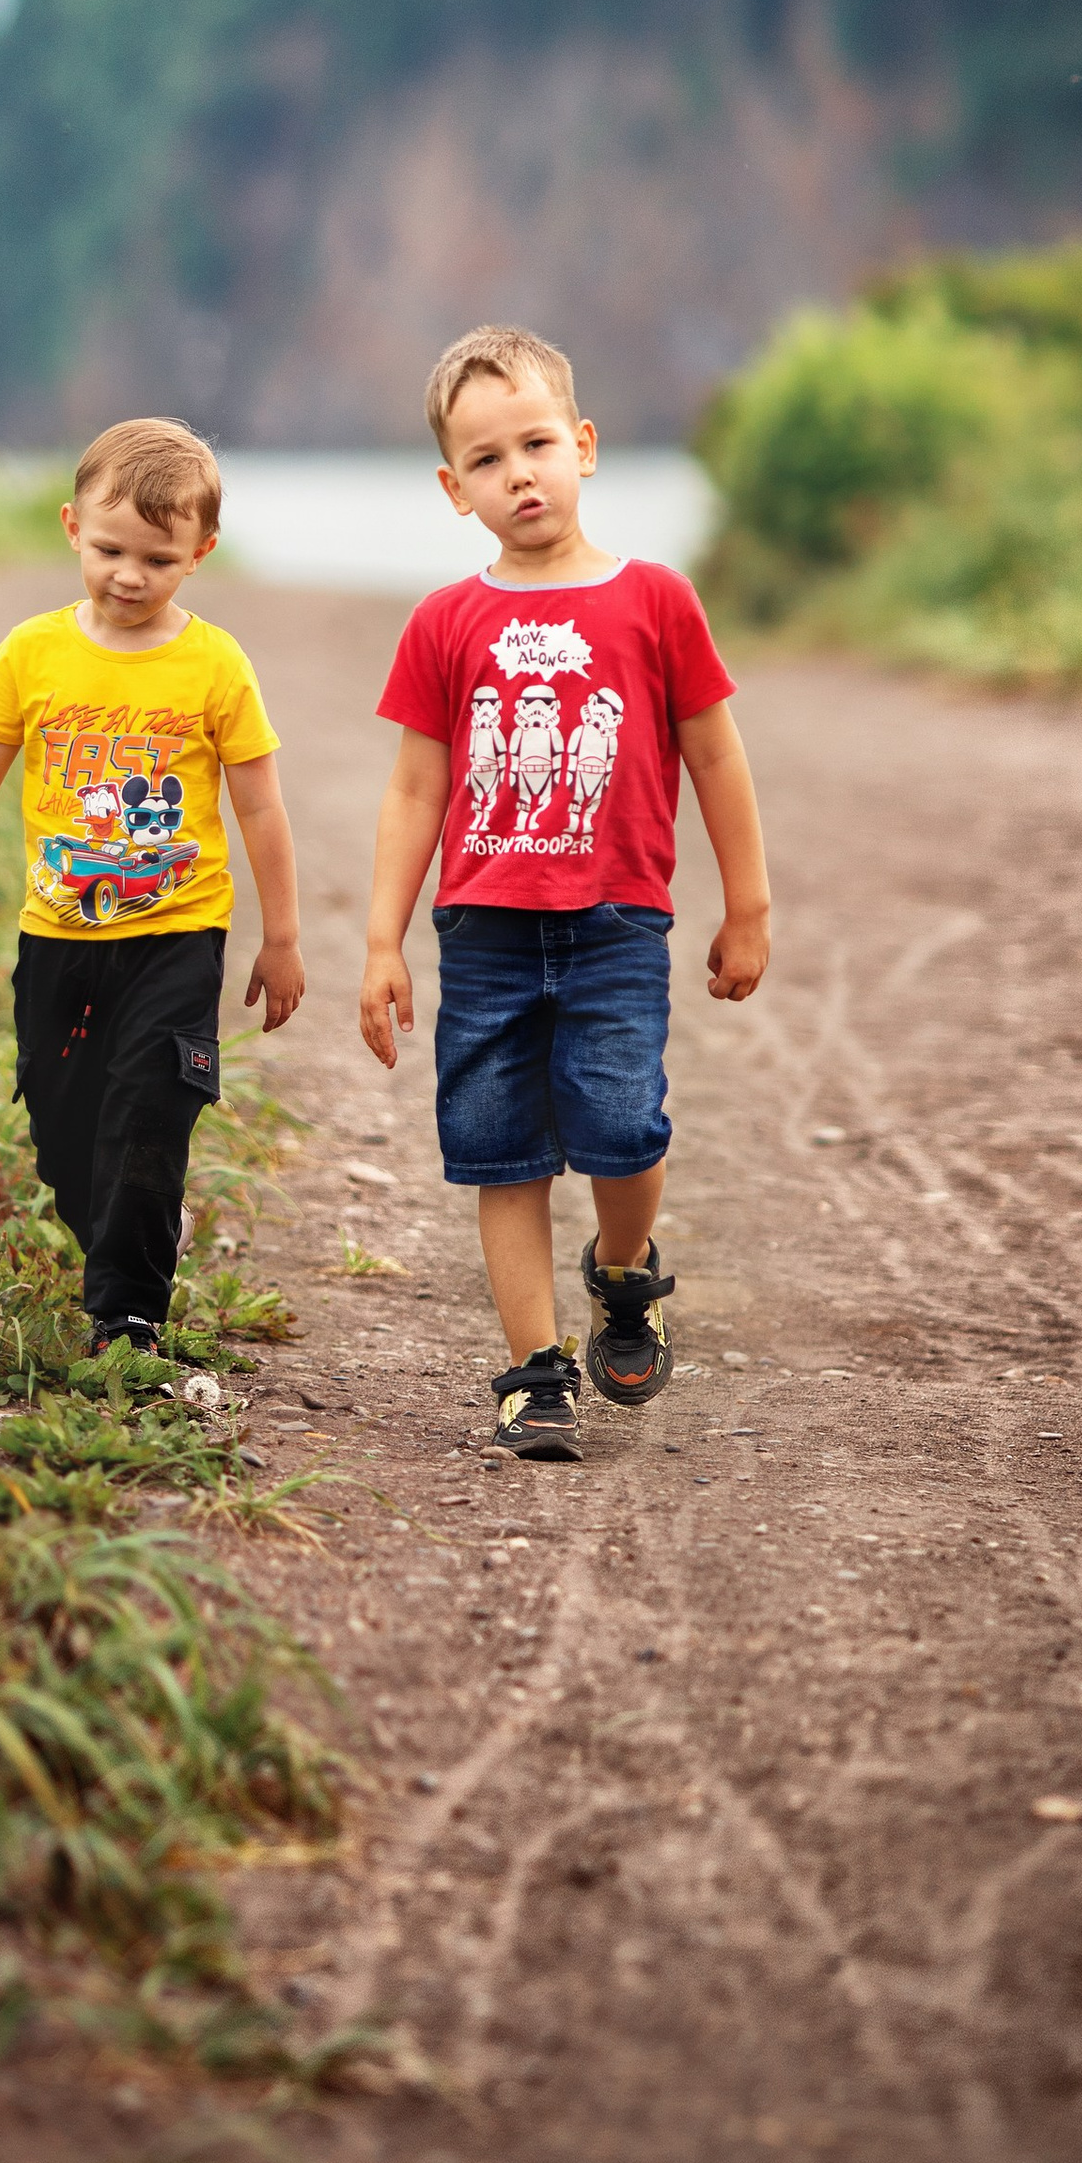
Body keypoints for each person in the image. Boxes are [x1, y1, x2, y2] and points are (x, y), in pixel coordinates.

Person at [359, 325, 770, 1462]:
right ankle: (535, 1372)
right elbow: (412, 789)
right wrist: (382, 940)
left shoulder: (654, 601)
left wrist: (749, 905)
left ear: (583, 447)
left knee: (621, 1125)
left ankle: (625, 1273)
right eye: (486, 460)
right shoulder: (445, 621)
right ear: (455, 489)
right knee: (503, 1150)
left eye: (536, 443)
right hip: (483, 931)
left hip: (614, 923)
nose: (518, 474)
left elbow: (717, 756)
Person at [0, 418, 305, 1353]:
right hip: (58, 938)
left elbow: (260, 808)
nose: (129, 574)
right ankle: (115, 1239)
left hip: (178, 936)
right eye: (112, 548)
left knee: (151, 1108)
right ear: (71, 526)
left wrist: (280, 936)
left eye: (158, 558)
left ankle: (128, 1314)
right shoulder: (32, 652)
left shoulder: (213, 664)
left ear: (200, 553)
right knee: (63, 1127)